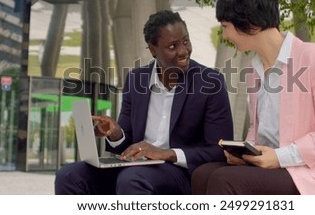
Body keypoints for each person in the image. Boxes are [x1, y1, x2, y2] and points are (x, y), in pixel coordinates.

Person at [191, 0, 315, 195]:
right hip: (272, 168)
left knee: (225, 180)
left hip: (308, 173)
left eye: (225, 26)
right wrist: (245, 153)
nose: (224, 36)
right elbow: (257, 129)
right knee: (202, 174)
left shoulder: (314, 57)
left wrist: (280, 157)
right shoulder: (254, 68)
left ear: (250, 22)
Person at [55, 10, 233, 194]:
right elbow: (127, 144)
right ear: (153, 49)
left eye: (186, 41)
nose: (183, 51)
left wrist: (168, 154)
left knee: (133, 178)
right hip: (135, 169)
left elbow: (219, 150)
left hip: (180, 172)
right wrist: (116, 134)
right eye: (172, 46)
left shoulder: (210, 82)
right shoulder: (136, 79)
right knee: (68, 175)